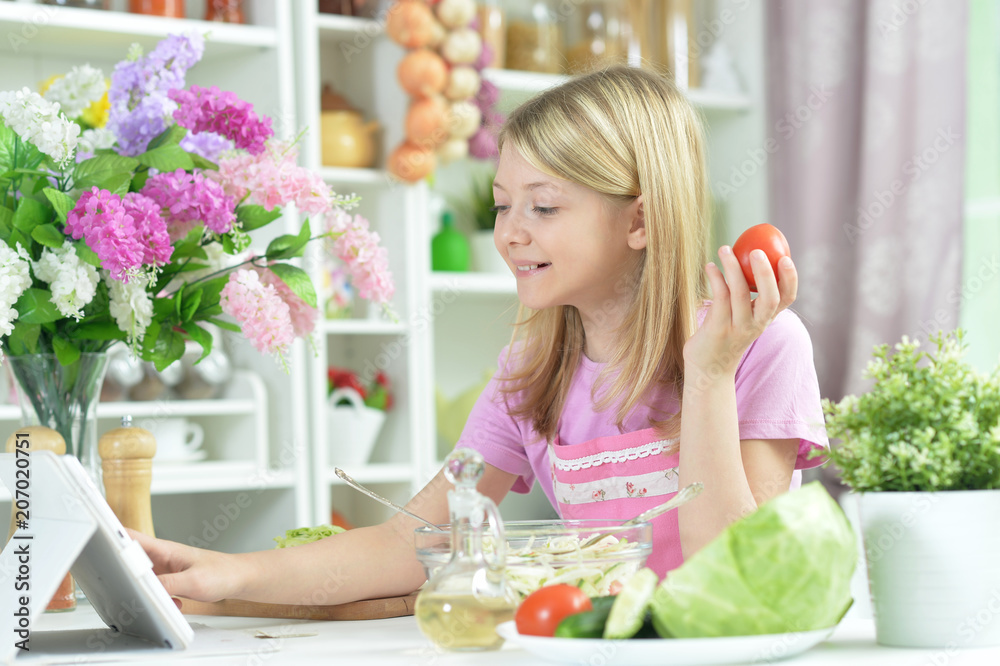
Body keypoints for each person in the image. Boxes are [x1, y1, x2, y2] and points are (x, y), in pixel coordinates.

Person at [131, 66, 827, 606]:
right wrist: (227, 573)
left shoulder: (761, 345)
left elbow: (738, 576)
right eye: (501, 205)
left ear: (639, 221)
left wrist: (706, 376)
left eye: (544, 206)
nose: (511, 233)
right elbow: (411, 542)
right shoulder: (534, 365)